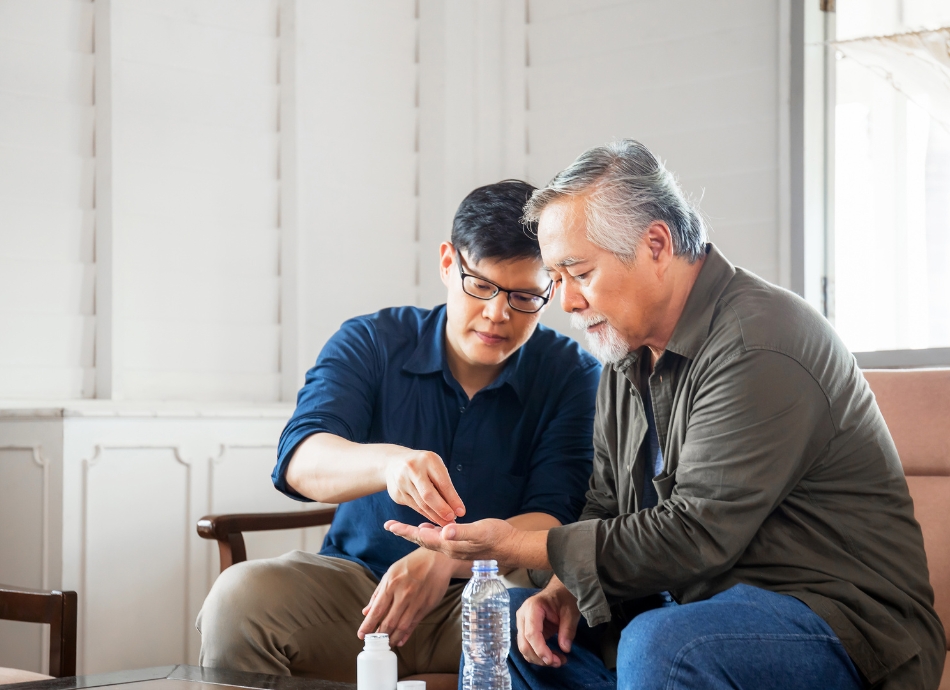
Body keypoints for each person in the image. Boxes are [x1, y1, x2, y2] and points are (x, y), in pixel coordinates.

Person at [387, 141, 946, 690]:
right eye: (555, 280)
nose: (567, 302)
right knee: (512, 625)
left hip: (836, 624)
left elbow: (695, 533)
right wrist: (562, 591)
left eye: (578, 273)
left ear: (656, 244)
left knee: (665, 646)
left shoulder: (760, 341)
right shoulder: (622, 354)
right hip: (686, 608)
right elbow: (605, 503)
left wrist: (512, 544)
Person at [195, 180, 601, 688]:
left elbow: (554, 517)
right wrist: (388, 463)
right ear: (448, 263)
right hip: (358, 593)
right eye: (481, 286)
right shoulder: (372, 341)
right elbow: (300, 459)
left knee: (542, 628)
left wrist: (443, 557)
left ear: (552, 289)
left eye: (524, 296)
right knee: (240, 600)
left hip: (493, 595)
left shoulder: (573, 376)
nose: (499, 314)